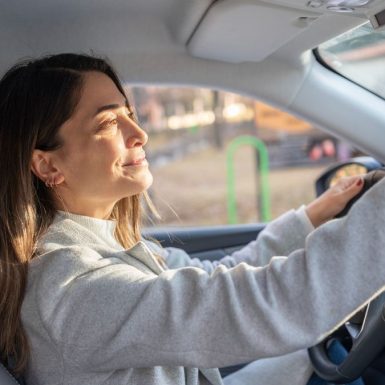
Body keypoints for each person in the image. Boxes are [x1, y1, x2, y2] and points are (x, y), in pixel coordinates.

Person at [0, 53, 384, 385]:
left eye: (129, 114)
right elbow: (260, 305)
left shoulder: (105, 248)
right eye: (107, 123)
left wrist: (313, 217)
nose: (139, 134)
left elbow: (215, 276)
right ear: (48, 164)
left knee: (315, 358)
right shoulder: (74, 289)